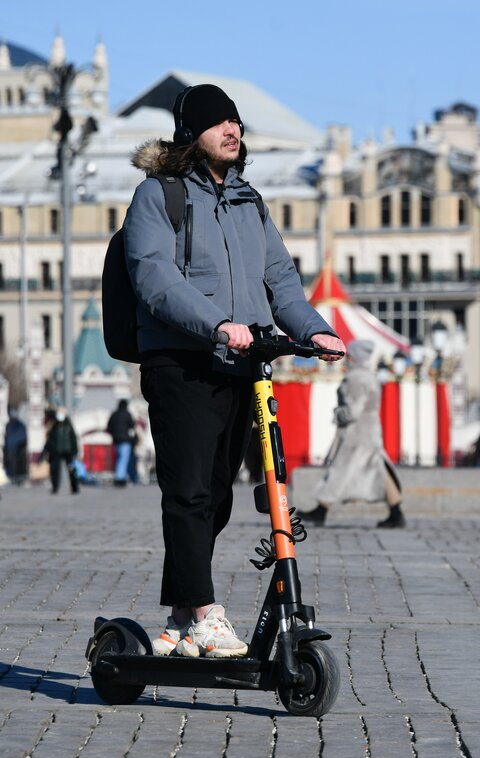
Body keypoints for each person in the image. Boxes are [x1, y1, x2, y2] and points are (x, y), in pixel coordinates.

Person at [123, 83, 343, 658]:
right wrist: (218, 323)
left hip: (241, 366)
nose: (232, 131)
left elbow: (281, 281)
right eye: (219, 122)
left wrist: (311, 328)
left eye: (237, 123)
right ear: (191, 134)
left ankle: (176, 619)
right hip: (183, 361)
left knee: (216, 496)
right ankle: (203, 613)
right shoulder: (159, 195)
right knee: (190, 492)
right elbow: (154, 277)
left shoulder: (249, 202)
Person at [301, 339, 404, 529]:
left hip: (356, 434)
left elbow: (352, 411)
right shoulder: (369, 376)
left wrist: (336, 413)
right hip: (371, 431)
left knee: (340, 471)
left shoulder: (355, 378)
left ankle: (321, 510)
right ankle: (396, 512)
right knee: (380, 470)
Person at [43, 406, 79, 494]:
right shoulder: (53, 425)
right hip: (56, 452)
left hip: (68, 451)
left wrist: (75, 451)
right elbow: (49, 439)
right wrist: (48, 450)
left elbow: (73, 438)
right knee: (55, 470)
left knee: (71, 469)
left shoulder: (69, 425)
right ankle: (55, 487)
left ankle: (75, 487)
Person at [106, 398, 136, 488]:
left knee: (119, 459)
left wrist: (114, 435)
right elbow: (132, 425)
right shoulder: (127, 414)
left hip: (116, 440)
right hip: (125, 440)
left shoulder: (114, 414)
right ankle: (120, 478)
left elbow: (108, 427)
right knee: (123, 459)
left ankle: (119, 476)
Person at [3, 409, 28, 485]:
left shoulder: (20, 425)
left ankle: (18, 478)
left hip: (18, 449)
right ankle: (12, 477)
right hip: (9, 448)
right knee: (10, 463)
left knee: (18, 464)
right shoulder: (8, 425)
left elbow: (22, 437)